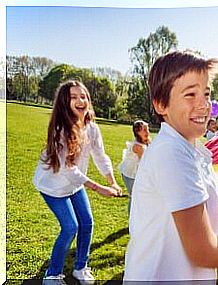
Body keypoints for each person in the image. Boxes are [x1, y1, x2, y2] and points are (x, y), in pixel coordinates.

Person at [124, 51, 218, 282]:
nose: (204, 105)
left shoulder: (190, 150)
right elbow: (203, 250)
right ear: (161, 104)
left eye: (206, 93)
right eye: (190, 94)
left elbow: (208, 234)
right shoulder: (171, 154)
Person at [32, 80, 122, 285]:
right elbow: (67, 168)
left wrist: (113, 182)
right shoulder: (59, 129)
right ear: (65, 102)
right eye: (73, 97)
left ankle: (81, 268)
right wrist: (99, 188)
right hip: (53, 186)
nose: (80, 100)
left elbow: (100, 155)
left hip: (74, 184)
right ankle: (52, 275)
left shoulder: (92, 128)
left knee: (87, 223)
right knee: (70, 227)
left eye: (83, 96)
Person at [118, 120, 151, 213]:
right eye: (144, 130)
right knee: (135, 196)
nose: (147, 132)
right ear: (137, 132)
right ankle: (132, 221)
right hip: (130, 174)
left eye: (147, 129)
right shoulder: (138, 146)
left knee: (140, 197)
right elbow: (144, 163)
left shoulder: (147, 141)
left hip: (137, 172)